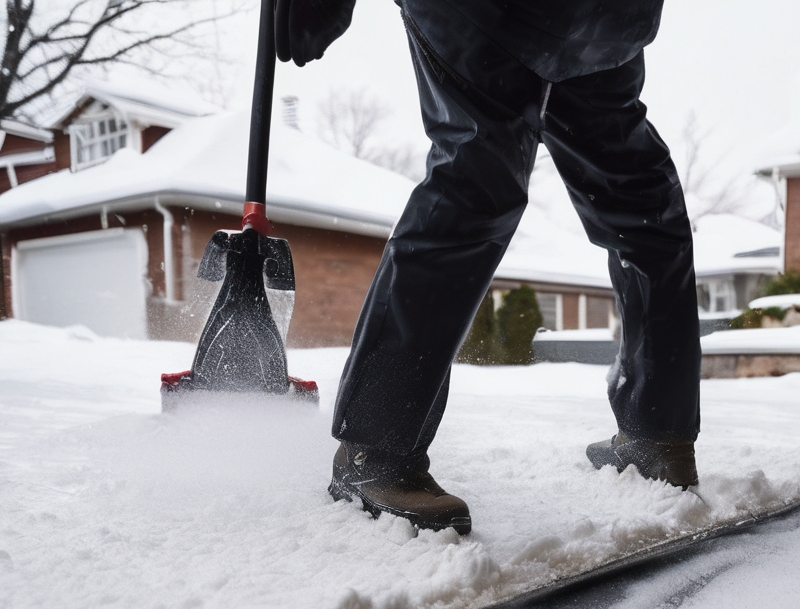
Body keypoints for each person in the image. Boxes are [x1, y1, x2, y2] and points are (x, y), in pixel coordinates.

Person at [275, 0, 702, 535]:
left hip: (561, 17)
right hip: (591, 21)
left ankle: (377, 451)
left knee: (481, 183)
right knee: (634, 208)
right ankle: (658, 432)